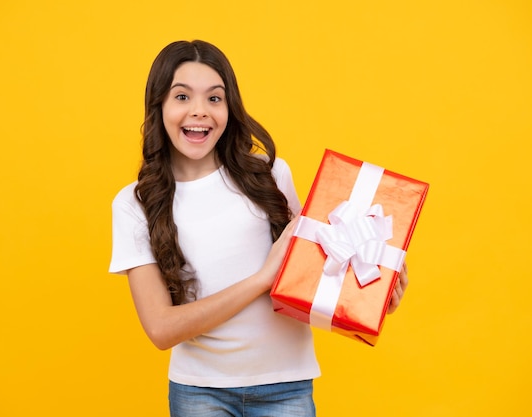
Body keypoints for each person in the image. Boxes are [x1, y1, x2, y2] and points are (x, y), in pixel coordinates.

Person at [109, 40, 409, 417]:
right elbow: (161, 329)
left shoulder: (269, 174)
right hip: (201, 394)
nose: (199, 111)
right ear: (159, 107)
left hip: (287, 387)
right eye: (182, 96)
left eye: (214, 98)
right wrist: (261, 278)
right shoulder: (134, 203)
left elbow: (313, 276)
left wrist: (372, 294)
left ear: (229, 107)